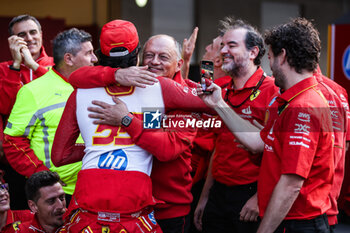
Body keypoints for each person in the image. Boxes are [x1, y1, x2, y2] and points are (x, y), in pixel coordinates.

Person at [51, 20, 209, 233]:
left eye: (163, 57)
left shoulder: (80, 91)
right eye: (149, 56)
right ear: (138, 54)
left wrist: (118, 128)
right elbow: (213, 102)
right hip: (136, 204)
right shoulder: (158, 89)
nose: (154, 63)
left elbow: (60, 155)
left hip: (159, 206)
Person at [197, 17, 334, 233]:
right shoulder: (291, 101)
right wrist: (218, 104)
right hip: (283, 216)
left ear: (283, 57)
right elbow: (259, 143)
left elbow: (291, 184)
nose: (269, 65)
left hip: (298, 221)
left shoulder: (303, 107)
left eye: (269, 57)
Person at [193, 17, 278, 233]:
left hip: (249, 197)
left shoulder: (272, 91)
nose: (223, 51)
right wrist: (205, 197)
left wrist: (259, 197)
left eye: (232, 45)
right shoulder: (220, 89)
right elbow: (218, 149)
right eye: (222, 46)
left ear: (253, 52)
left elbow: (278, 156)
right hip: (218, 195)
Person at [3, 28, 98, 204]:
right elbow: (12, 141)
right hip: (56, 195)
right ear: (69, 59)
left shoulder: (97, 86)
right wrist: (42, 175)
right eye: (89, 53)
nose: (95, 59)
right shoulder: (33, 91)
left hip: (95, 187)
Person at [0, 14, 54, 210]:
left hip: (52, 157)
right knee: (22, 215)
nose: (29, 38)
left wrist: (34, 66)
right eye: (22, 35)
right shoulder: (3, 69)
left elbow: (63, 91)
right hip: (16, 159)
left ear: (41, 34)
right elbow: (6, 108)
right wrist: (15, 66)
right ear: (12, 41)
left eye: (33, 32)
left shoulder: (57, 65)